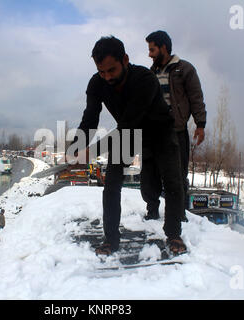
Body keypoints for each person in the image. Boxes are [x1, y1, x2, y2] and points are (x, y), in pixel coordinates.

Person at [68, 36, 186, 255]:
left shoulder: (145, 79)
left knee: (172, 182)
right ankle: (110, 240)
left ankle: (174, 234)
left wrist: (92, 151)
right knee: (111, 183)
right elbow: (90, 118)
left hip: (159, 131)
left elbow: (130, 122)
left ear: (125, 59)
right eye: (101, 72)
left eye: (111, 70)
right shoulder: (97, 83)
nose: (107, 77)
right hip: (128, 132)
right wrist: (77, 147)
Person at [143, 30, 207, 222]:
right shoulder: (150, 73)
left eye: (152, 49)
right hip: (152, 132)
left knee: (178, 175)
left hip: (176, 132)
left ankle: (178, 214)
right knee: (149, 175)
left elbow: (196, 97)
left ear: (163, 47)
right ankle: (152, 210)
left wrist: (200, 124)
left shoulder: (184, 69)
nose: (150, 54)